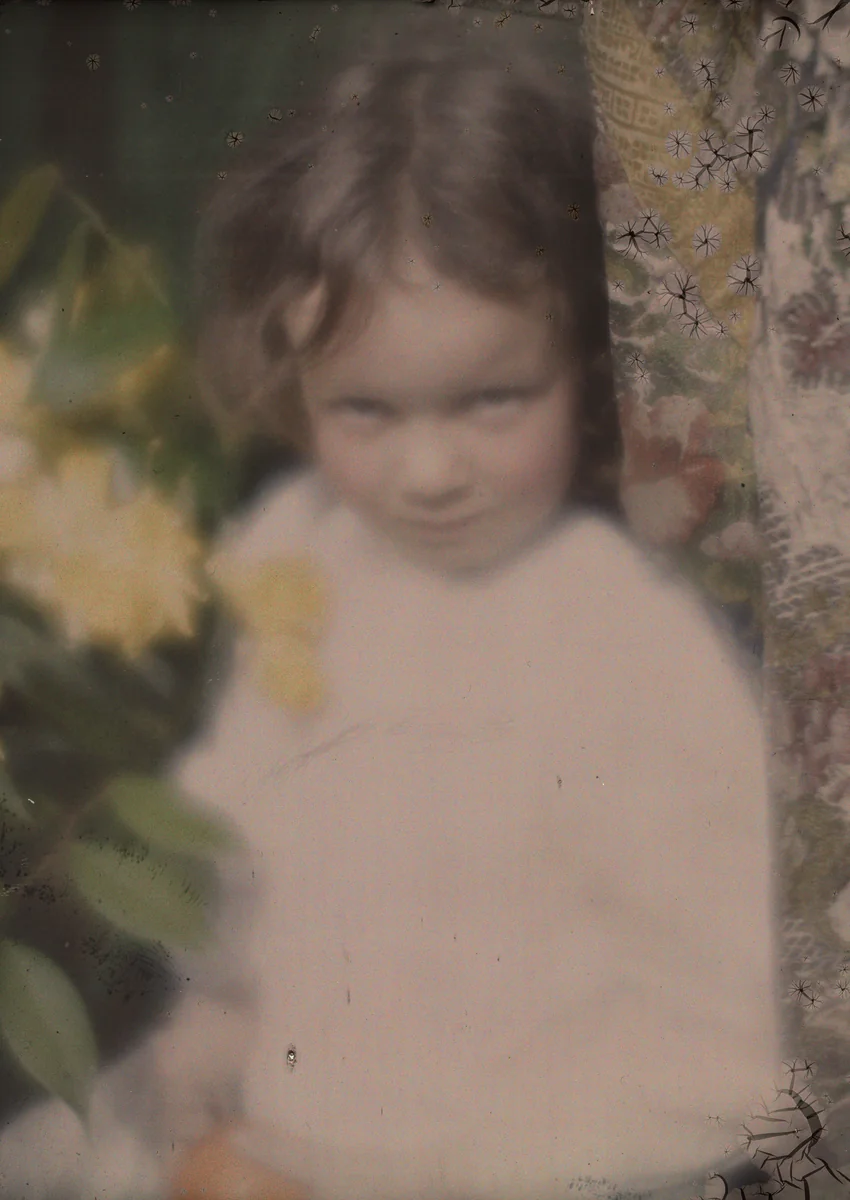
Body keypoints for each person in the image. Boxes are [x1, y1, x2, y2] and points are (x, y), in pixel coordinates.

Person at [0, 28, 781, 1200]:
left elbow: (730, 1047)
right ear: (292, 370)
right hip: (281, 1111)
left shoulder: (620, 632)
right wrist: (219, 1012)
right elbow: (230, 840)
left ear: (579, 353)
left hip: (520, 1155)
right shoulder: (297, 550)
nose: (427, 473)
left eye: (489, 399)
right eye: (364, 409)